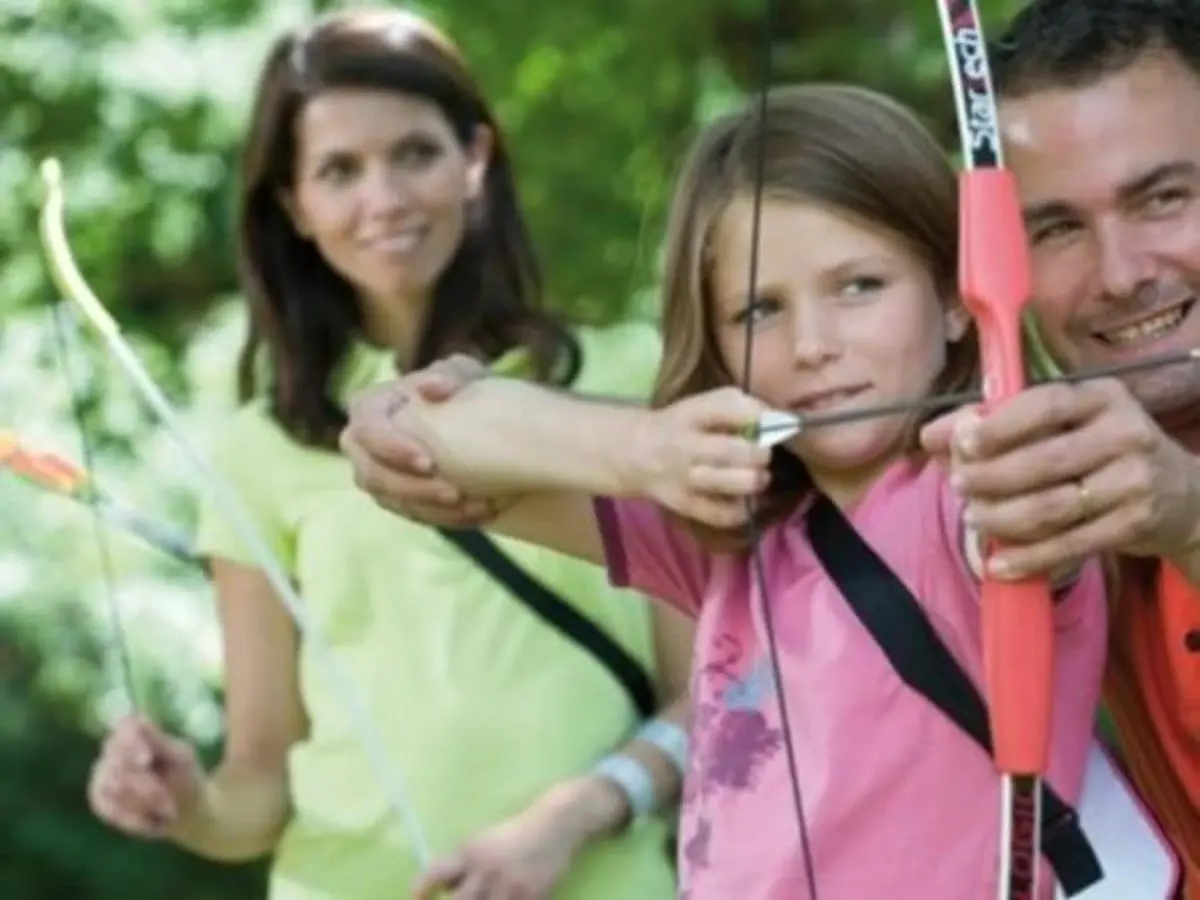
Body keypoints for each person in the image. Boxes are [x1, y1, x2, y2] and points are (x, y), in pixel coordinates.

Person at [338, 83, 1110, 899]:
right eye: (758, 310)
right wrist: (644, 448)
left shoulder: (971, 494)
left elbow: (1030, 508)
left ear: (958, 298)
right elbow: (425, 448)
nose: (812, 345)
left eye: (860, 287)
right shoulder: (728, 531)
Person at [83, 8, 691, 899]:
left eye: (414, 153)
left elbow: (722, 689)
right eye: (339, 170)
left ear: (475, 160)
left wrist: (570, 817)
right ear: (294, 205)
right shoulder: (258, 448)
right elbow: (257, 780)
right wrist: (188, 803)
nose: (385, 199)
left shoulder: (629, 381)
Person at [916, 2, 1200, 894]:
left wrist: (1188, 517)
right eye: (1056, 229)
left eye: (1164, 198)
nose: (1121, 276)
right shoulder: (1066, 470)